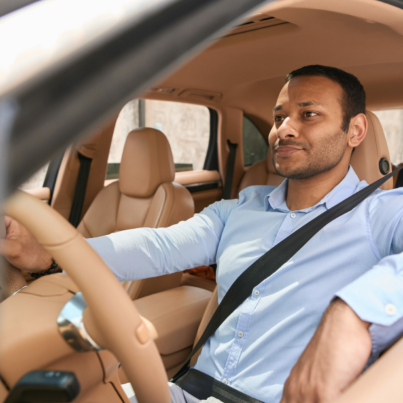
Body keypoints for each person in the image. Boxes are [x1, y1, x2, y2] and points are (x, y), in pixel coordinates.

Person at [2, 65, 403, 403]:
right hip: (188, 390)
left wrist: (350, 313)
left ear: (355, 131)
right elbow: (157, 246)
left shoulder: (384, 214)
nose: (285, 129)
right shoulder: (243, 207)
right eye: (280, 117)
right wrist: (48, 254)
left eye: (308, 114)